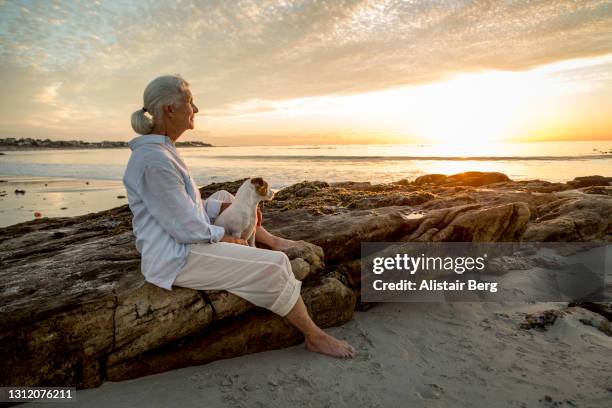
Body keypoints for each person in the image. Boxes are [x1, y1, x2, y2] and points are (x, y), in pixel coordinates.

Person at [123, 74, 355, 358]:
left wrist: (215, 210)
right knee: (276, 265)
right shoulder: (154, 161)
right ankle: (314, 336)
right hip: (175, 257)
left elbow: (180, 207)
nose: (195, 110)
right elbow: (184, 228)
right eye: (190, 102)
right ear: (170, 109)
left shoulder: (162, 151)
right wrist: (227, 238)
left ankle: (271, 238)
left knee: (225, 198)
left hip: (181, 237)